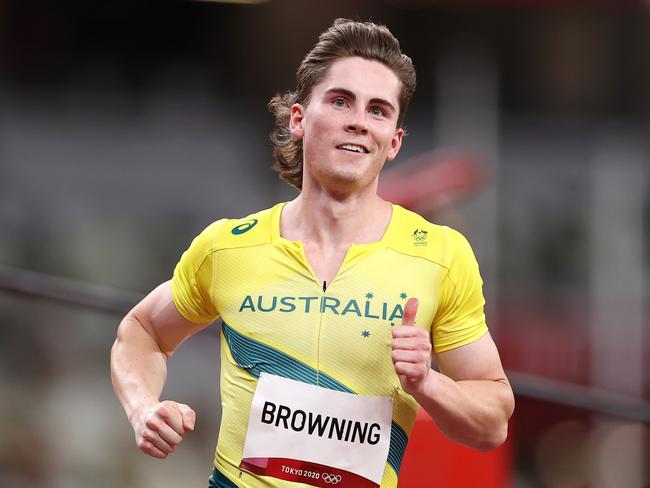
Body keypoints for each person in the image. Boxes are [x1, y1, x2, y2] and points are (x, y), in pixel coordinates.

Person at [111, 18, 514, 488]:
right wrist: (143, 409)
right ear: (299, 119)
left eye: (379, 110)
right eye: (341, 101)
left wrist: (428, 382)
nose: (359, 121)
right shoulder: (228, 247)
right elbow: (140, 332)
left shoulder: (442, 256)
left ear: (394, 143)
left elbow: (493, 423)